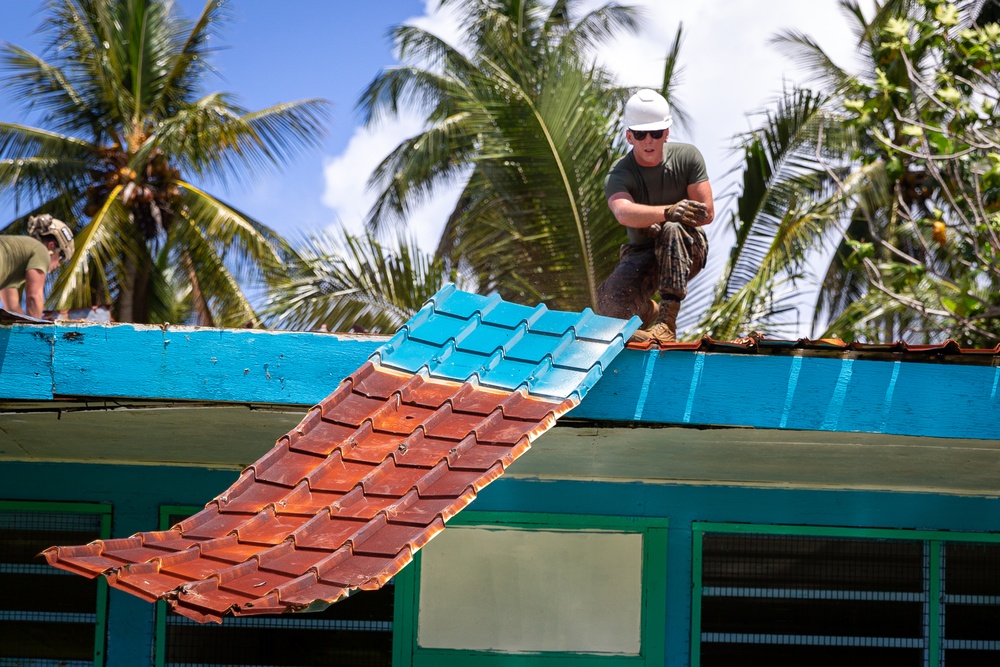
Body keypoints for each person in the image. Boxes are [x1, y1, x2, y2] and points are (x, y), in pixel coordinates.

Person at [597, 88, 715, 344]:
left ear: (666, 133)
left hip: (687, 248)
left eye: (656, 133)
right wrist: (667, 212)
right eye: (640, 134)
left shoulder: (687, 158)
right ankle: (646, 312)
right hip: (643, 254)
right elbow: (622, 211)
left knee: (672, 229)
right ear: (630, 137)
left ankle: (666, 322)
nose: (648, 140)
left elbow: (706, 212)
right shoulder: (620, 173)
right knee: (608, 305)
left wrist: (670, 220)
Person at [0, 214, 75, 318]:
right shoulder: (41, 250)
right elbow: (34, 297)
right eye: (61, 257)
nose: (58, 264)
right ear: (51, 246)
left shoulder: (13, 256)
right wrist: (37, 330)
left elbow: (12, 307)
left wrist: (26, 327)